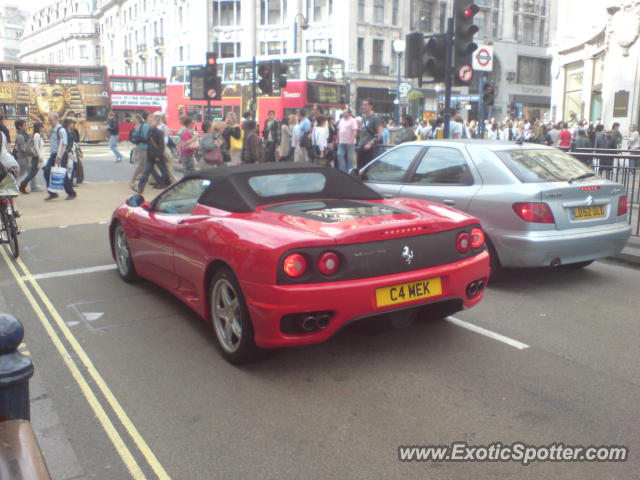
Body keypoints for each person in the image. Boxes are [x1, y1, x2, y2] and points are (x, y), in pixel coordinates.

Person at [45, 117, 77, 201]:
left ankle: (71, 193)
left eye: (51, 120)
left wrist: (59, 156)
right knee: (47, 171)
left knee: (63, 174)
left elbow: (64, 144)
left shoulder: (61, 130)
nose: (49, 121)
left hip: (60, 155)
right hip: (53, 154)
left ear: (56, 120)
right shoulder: (53, 129)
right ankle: (52, 193)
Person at [137, 115, 170, 193]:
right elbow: (149, 144)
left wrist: (158, 156)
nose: (150, 122)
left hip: (157, 156)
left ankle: (167, 184)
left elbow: (161, 146)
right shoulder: (149, 131)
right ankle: (140, 188)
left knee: (164, 171)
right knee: (146, 172)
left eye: (152, 121)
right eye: (149, 121)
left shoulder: (159, 132)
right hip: (150, 156)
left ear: (156, 122)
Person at [19, 122, 45, 194]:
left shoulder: (39, 135)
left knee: (34, 173)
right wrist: (40, 157)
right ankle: (22, 185)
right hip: (37, 157)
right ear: (40, 127)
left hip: (38, 157)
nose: (44, 128)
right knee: (33, 173)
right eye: (43, 127)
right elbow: (36, 147)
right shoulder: (37, 135)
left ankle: (22, 185)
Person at [356, 98, 382, 169]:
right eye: (362, 105)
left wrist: (370, 144)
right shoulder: (363, 118)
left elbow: (379, 134)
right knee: (360, 170)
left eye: (365, 105)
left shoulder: (375, 118)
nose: (363, 107)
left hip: (369, 150)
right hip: (361, 148)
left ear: (371, 106)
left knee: (367, 171)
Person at [0, 126, 20, 216]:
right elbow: (7, 149)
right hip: (9, 163)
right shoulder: (2, 134)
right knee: (12, 184)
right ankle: (15, 209)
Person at [154, 112, 177, 184]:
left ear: (160, 117)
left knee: (166, 163)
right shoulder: (159, 127)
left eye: (156, 117)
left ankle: (172, 179)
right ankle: (171, 179)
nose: (154, 118)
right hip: (159, 148)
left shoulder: (163, 127)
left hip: (161, 148)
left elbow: (165, 140)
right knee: (159, 165)